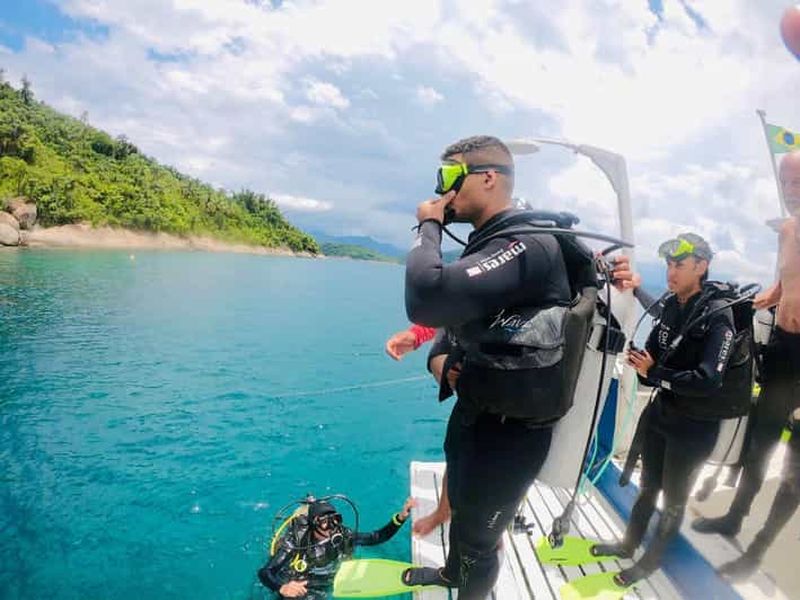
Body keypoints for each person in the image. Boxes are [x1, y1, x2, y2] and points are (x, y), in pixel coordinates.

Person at [401, 134, 578, 599]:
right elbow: (460, 312)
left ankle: (468, 583)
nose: (441, 192)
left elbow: (427, 297)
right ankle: (450, 574)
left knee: (481, 541)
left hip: (512, 435)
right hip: (477, 413)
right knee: (462, 509)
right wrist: (441, 359)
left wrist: (429, 227)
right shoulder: (492, 243)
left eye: (450, 178)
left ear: (487, 178)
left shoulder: (524, 243)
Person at [384, 255, 638, 539]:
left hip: (528, 400)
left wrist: (616, 283)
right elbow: (455, 305)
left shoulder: (555, 272)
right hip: (479, 386)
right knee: (457, 454)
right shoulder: (494, 267)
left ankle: (493, 534)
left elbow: (589, 305)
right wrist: (416, 336)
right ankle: (445, 510)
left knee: (505, 480)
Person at [590, 233, 744, 587]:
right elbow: (651, 362)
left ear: (702, 267)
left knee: (673, 500)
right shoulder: (672, 305)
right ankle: (628, 544)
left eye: (679, 265)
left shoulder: (718, 317)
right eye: (668, 265)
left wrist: (655, 372)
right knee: (647, 488)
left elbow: (708, 380)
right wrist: (644, 366)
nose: (671, 272)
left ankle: (650, 561)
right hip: (663, 414)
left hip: (696, 427)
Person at [693, 150, 800, 574]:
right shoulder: (788, 230)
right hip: (786, 351)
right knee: (759, 444)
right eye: (786, 182)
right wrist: (738, 304)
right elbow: (783, 284)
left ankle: (756, 551)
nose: (792, 191)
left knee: (796, 468)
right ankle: (734, 517)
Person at [257, 496, 414, 599]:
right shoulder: (296, 542)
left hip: (329, 582)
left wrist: (400, 517)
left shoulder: (342, 535)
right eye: (325, 522)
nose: (331, 528)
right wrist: (282, 587)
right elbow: (266, 572)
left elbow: (377, 537)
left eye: (335, 520)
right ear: (313, 524)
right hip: (299, 585)